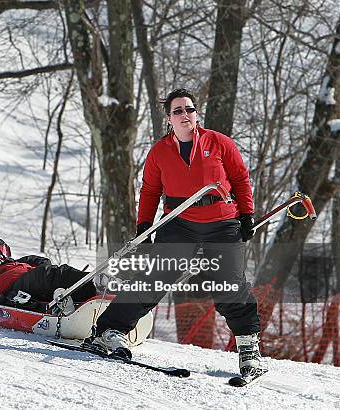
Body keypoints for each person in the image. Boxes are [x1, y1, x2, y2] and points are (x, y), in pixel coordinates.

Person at [87, 88, 262, 375]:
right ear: (169, 118)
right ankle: (110, 330)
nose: (185, 115)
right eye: (178, 110)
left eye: (189, 109)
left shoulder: (219, 143)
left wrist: (247, 215)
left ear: (196, 113)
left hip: (222, 222)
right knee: (154, 277)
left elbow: (241, 179)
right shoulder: (159, 152)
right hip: (179, 223)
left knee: (228, 283)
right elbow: (150, 191)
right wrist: (144, 225)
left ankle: (248, 346)